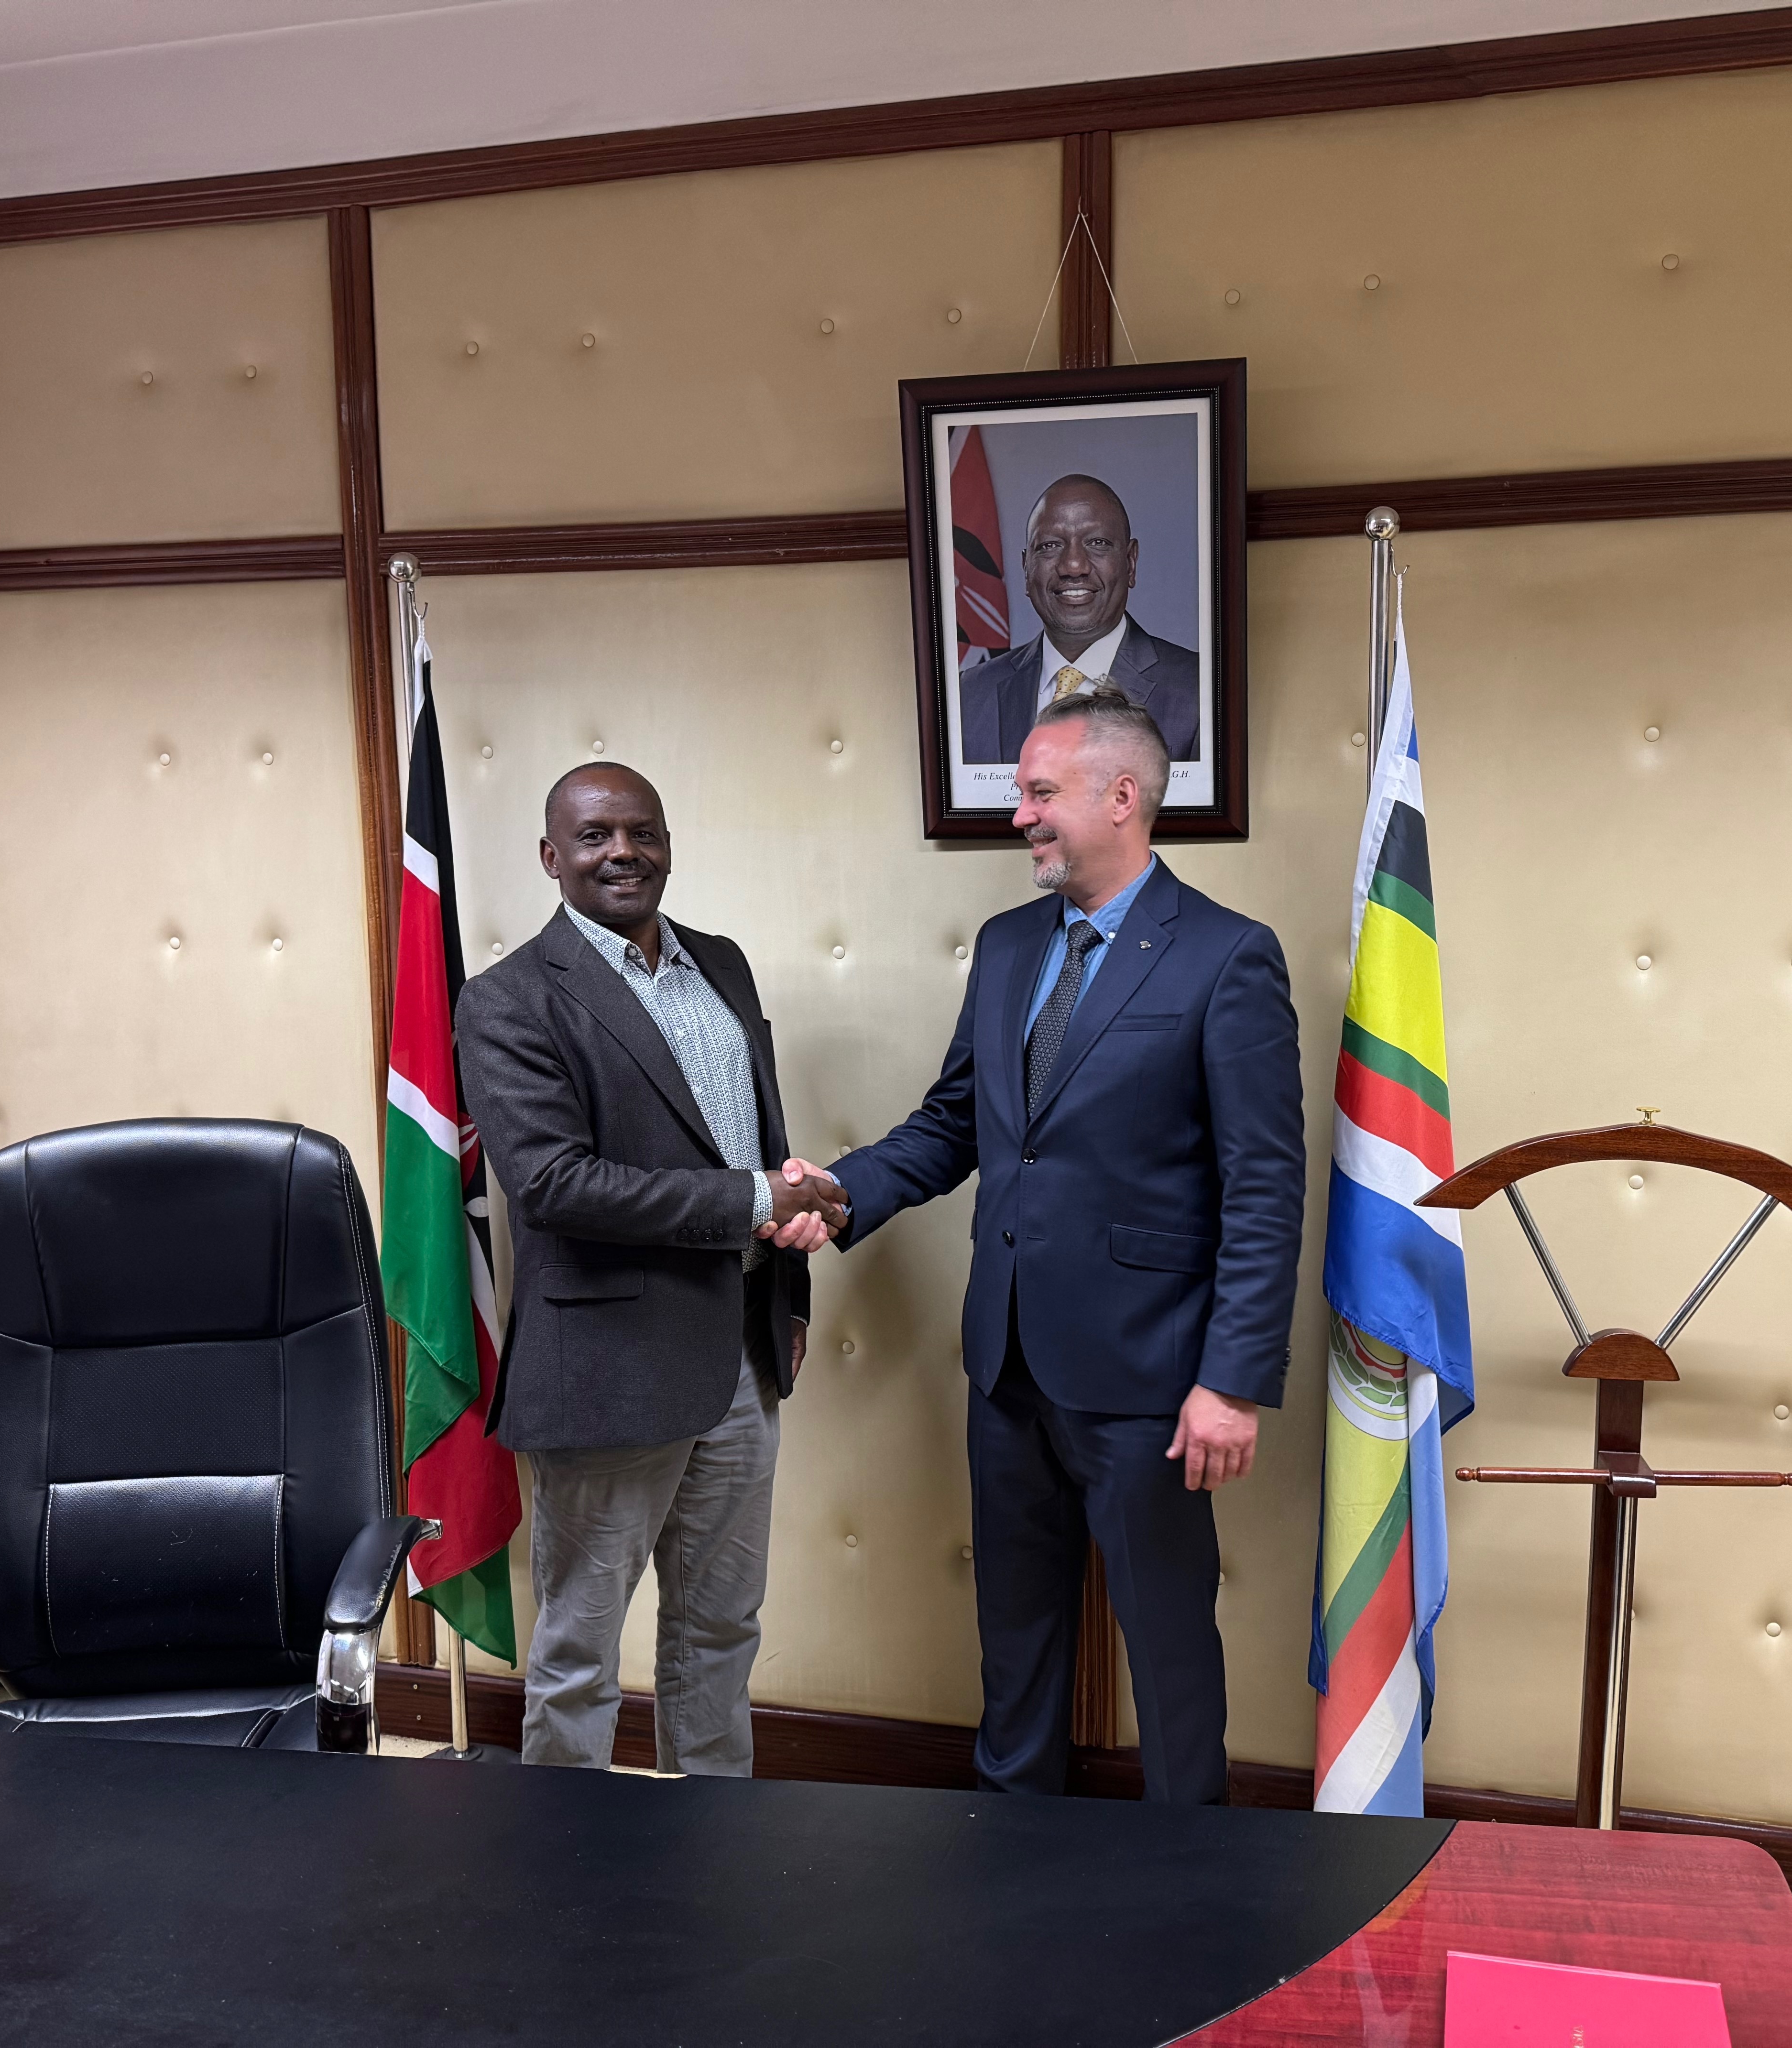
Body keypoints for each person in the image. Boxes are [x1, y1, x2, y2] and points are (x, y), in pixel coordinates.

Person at [788, 691, 1302, 1803]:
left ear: (1121, 796)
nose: (1019, 815)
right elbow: (955, 1124)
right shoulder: (1010, 945)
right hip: (1006, 1364)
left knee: (1169, 1651)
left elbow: (1264, 1186)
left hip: (1152, 1379)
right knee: (1015, 1646)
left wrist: (1231, 1381)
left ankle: (1190, 1872)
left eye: (1037, 792)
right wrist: (841, 1192)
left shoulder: (1228, 957)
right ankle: (1011, 1859)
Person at [457, 762, 850, 1774]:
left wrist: (790, 1290)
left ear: (668, 844)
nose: (622, 851)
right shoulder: (507, 1001)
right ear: (551, 857)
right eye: (594, 836)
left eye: (643, 831)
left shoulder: (721, 963)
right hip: (609, 1367)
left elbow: (758, 1141)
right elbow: (556, 1185)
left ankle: (710, 1841)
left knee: (721, 1630)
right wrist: (758, 1201)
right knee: (580, 1656)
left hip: (744, 1355)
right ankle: (567, 1855)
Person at [960, 474, 1202, 765]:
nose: (1073, 566)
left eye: (1097, 543)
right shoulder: (968, 694)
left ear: (1130, 563)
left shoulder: (1200, 689)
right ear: (1026, 569)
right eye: (1050, 546)